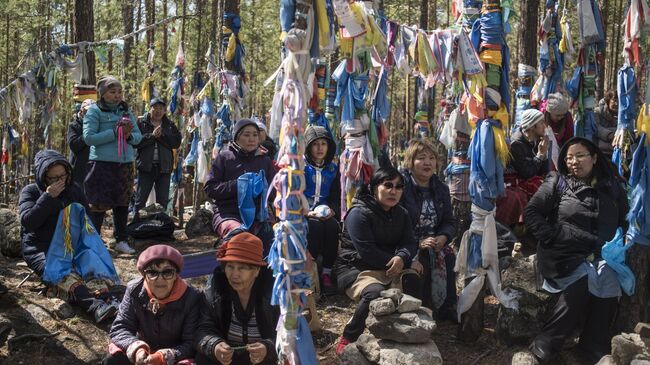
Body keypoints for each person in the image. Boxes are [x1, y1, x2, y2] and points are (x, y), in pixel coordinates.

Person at [524, 137, 628, 363]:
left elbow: (624, 220)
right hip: (563, 253)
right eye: (569, 157)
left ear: (594, 158)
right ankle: (546, 343)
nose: (574, 161)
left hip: (601, 255)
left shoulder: (612, 187)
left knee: (610, 282)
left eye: (580, 156)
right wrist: (552, 236)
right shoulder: (558, 181)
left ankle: (592, 347)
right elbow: (532, 212)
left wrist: (619, 246)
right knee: (581, 281)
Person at [19, 149, 120, 323]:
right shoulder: (31, 192)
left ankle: (108, 300)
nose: (60, 181)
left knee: (91, 265)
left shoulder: (74, 190)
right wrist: (48, 197)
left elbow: (87, 221)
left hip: (71, 246)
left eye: (63, 176)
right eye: (54, 178)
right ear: (43, 177)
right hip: (41, 249)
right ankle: (93, 306)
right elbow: (28, 222)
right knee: (63, 273)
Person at [333, 167, 419, 355]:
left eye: (398, 187)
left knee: (414, 280)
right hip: (356, 269)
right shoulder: (358, 213)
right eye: (388, 185)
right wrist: (402, 261)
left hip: (389, 266)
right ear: (374, 187)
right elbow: (367, 252)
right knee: (376, 293)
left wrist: (403, 256)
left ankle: (405, 333)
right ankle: (350, 335)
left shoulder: (401, 213)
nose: (393, 191)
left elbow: (410, 242)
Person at [104, 245, 200, 365]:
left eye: (167, 272)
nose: (160, 279)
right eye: (152, 272)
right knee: (112, 360)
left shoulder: (192, 297)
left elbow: (191, 343)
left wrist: (162, 357)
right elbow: (120, 328)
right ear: (144, 275)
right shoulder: (134, 291)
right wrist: (137, 349)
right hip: (143, 353)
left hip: (177, 356)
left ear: (176, 275)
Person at [195, 232, 279, 365]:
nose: (234, 274)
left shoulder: (274, 292)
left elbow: (290, 334)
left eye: (242, 268)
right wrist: (214, 346)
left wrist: (268, 348)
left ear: (256, 271)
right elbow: (203, 327)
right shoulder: (217, 287)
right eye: (230, 266)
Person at [83, 75, 142, 254]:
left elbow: (138, 136)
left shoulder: (126, 111)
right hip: (101, 164)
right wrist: (114, 133)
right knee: (98, 205)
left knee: (122, 203)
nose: (117, 95)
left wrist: (129, 136)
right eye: (112, 92)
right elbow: (88, 138)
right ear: (102, 94)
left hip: (124, 165)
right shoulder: (94, 111)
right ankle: (94, 242)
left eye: (119, 92)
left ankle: (121, 240)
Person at [400, 139, 457, 319]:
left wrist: (443, 236)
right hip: (407, 241)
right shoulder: (402, 186)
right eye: (421, 158)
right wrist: (417, 242)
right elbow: (396, 222)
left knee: (448, 256)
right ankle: (417, 308)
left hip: (434, 241)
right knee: (419, 261)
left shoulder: (441, 188)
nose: (427, 163)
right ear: (410, 161)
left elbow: (449, 221)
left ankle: (446, 307)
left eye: (432, 158)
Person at [204, 119, 276, 244]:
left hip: (258, 216)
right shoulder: (224, 157)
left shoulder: (265, 160)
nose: (252, 139)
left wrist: (263, 188)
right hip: (228, 213)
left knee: (272, 241)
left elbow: (274, 193)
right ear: (237, 138)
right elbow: (210, 188)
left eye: (255, 135)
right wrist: (238, 185)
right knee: (239, 236)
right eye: (246, 135)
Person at [303, 125, 341, 293]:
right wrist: (305, 211)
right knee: (315, 226)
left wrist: (333, 209)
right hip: (304, 212)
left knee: (333, 226)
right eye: (315, 144)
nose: (320, 148)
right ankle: (310, 271)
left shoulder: (332, 169)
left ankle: (326, 272)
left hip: (324, 211)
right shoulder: (301, 167)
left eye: (323, 144)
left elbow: (335, 194)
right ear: (308, 146)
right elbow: (294, 193)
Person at [134, 98, 182, 213]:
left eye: (161, 108)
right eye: (155, 108)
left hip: (164, 168)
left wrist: (163, 135)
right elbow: (136, 142)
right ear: (150, 109)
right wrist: (152, 136)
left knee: (163, 201)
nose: (158, 111)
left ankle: (161, 226)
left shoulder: (169, 125)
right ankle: (136, 225)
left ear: (164, 111)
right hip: (146, 167)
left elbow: (176, 143)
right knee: (140, 200)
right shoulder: (141, 123)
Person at [510, 109, 550, 181]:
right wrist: (540, 155)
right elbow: (527, 174)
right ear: (532, 126)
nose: (545, 126)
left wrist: (545, 153)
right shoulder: (516, 145)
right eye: (541, 123)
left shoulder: (537, 140)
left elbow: (544, 172)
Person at [67, 99, 95, 189]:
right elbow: (74, 145)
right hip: (78, 170)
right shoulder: (74, 126)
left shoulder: (99, 126)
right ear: (82, 111)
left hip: (95, 169)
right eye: (87, 111)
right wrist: (87, 135)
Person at [594, 90, 618, 159]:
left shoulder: (621, 116)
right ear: (608, 100)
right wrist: (609, 135)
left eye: (618, 101)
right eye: (614, 100)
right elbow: (597, 128)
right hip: (600, 152)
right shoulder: (597, 112)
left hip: (615, 152)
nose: (616, 104)